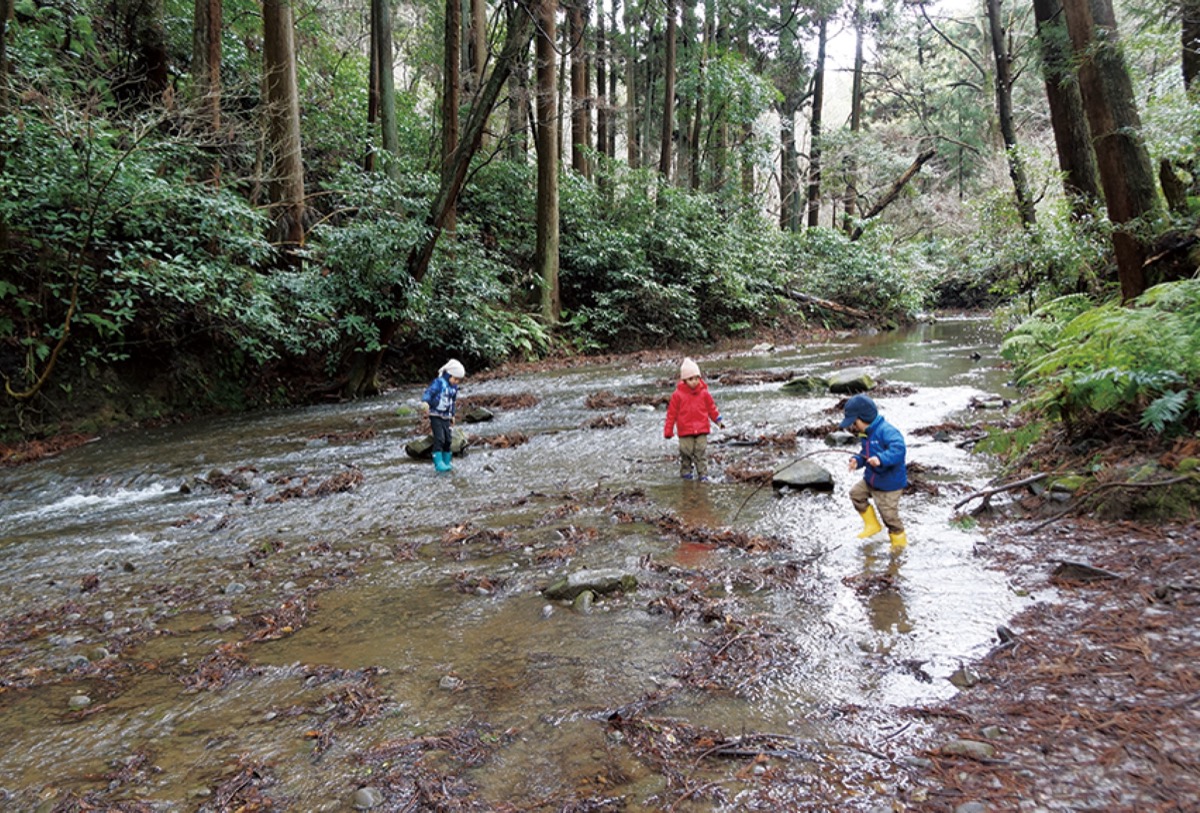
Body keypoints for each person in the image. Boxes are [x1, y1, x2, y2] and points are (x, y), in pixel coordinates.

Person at [842, 394, 908, 549]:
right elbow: (865, 454)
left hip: (889, 484)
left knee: (889, 517)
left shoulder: (887, 431)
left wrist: (881, 458)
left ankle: (899, 545)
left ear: (863, 418)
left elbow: (899, 449)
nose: (854, 426)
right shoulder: (866, 434)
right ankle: (872, 525)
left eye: (854, 422)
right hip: (871, 479)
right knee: (856, 494)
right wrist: (857, 461)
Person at [664, 358, 724, 481]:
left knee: (701, 452)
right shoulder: (677, 395)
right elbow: (672, 414)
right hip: (685, 430)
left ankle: (703, 474)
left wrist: (718, 420)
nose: (694, 382)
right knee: (685, 452)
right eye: (691, 379)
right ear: (684, 380)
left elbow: (711, 408)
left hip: (701, 428)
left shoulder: (704, 393)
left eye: (697, 378)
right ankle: (686, 472)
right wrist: (668, 430)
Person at [422, 359, 465, 472]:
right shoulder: (439, 382)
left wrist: (453, 415)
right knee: (439, 438)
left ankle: (447, 461)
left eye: (458, 380)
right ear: (448, 375)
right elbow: (429, 392)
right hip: (435, 414)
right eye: (455, 379)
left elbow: (453, 402)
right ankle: (438, 463)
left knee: (448, 439)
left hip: (447, 416)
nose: (456, 382)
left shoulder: (454, 388)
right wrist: (426, 401)